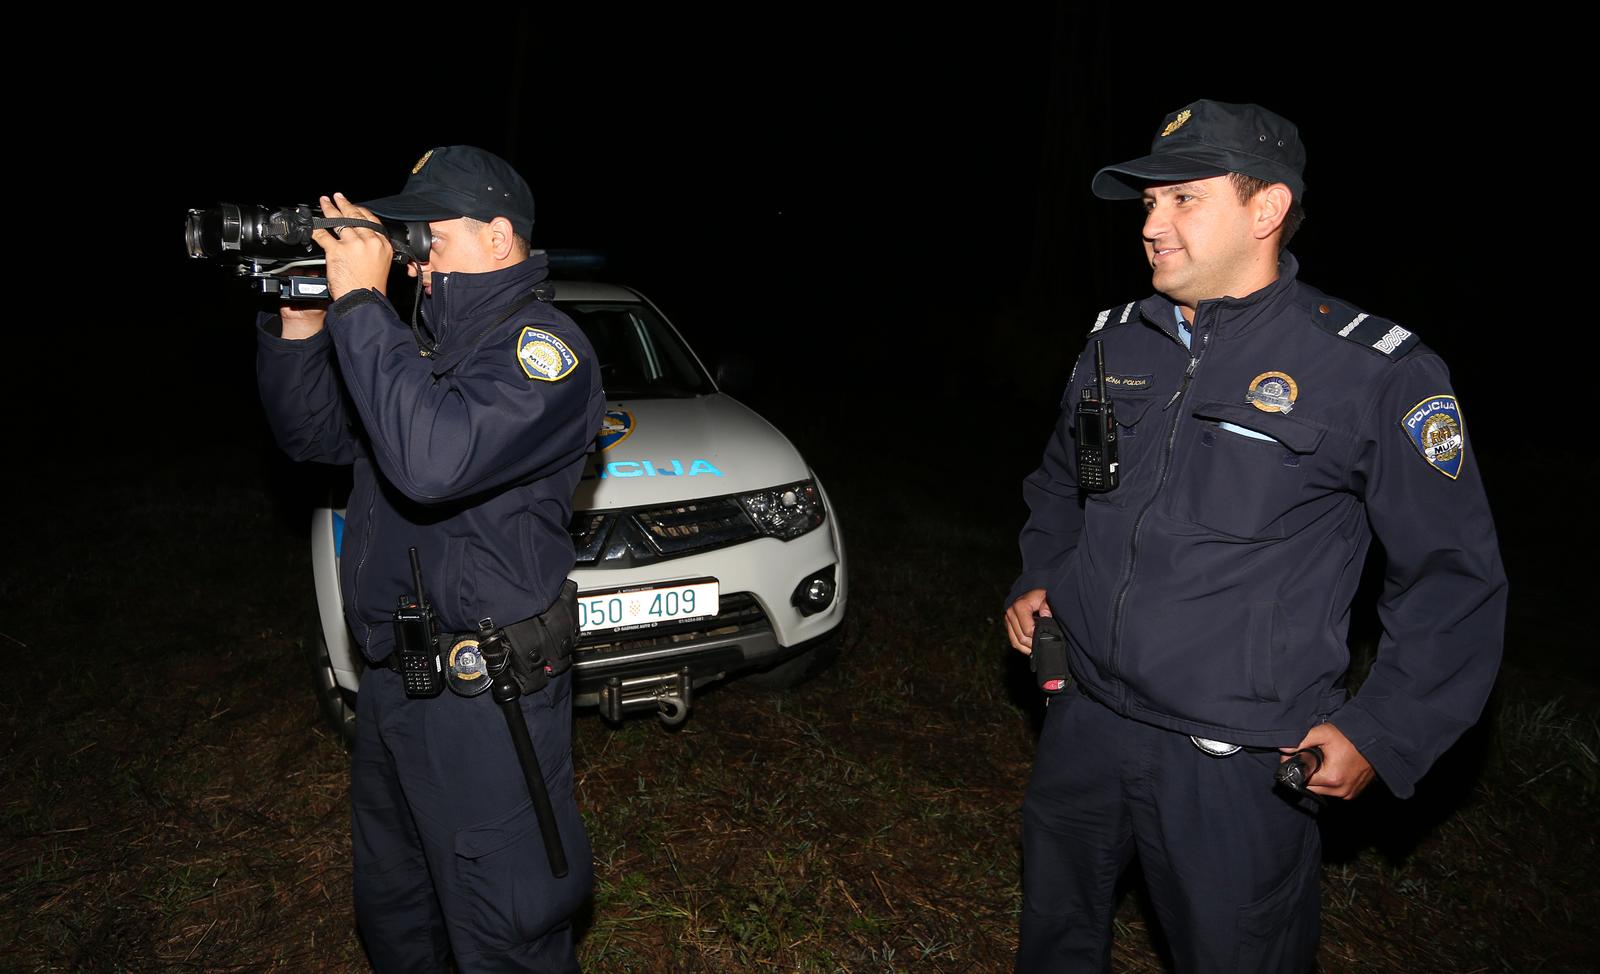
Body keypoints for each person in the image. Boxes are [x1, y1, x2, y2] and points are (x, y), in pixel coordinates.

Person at [1002, 100, 1507, 972]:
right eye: (1148, 203)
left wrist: (1385, 728)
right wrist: (1038, 576)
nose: (1152, 225)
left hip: (1232, 759)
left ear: (1266, 208)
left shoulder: (1371, 372)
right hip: (1083, 718)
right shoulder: (1117, 343)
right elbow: (1068, 484)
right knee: (1054, 938)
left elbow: (1452, 576)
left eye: (1183, 199)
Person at [256, 145, 605, 972]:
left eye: (429, 237)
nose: (414, 258)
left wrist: (361, 307)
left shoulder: (545, 352)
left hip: (488, 705)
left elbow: (433, 461)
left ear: (497, 237)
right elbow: (311, 436)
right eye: (406, 239)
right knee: (398, 917)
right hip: (394, 690)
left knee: (503, 931)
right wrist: (305, 323)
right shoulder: (416, 355)